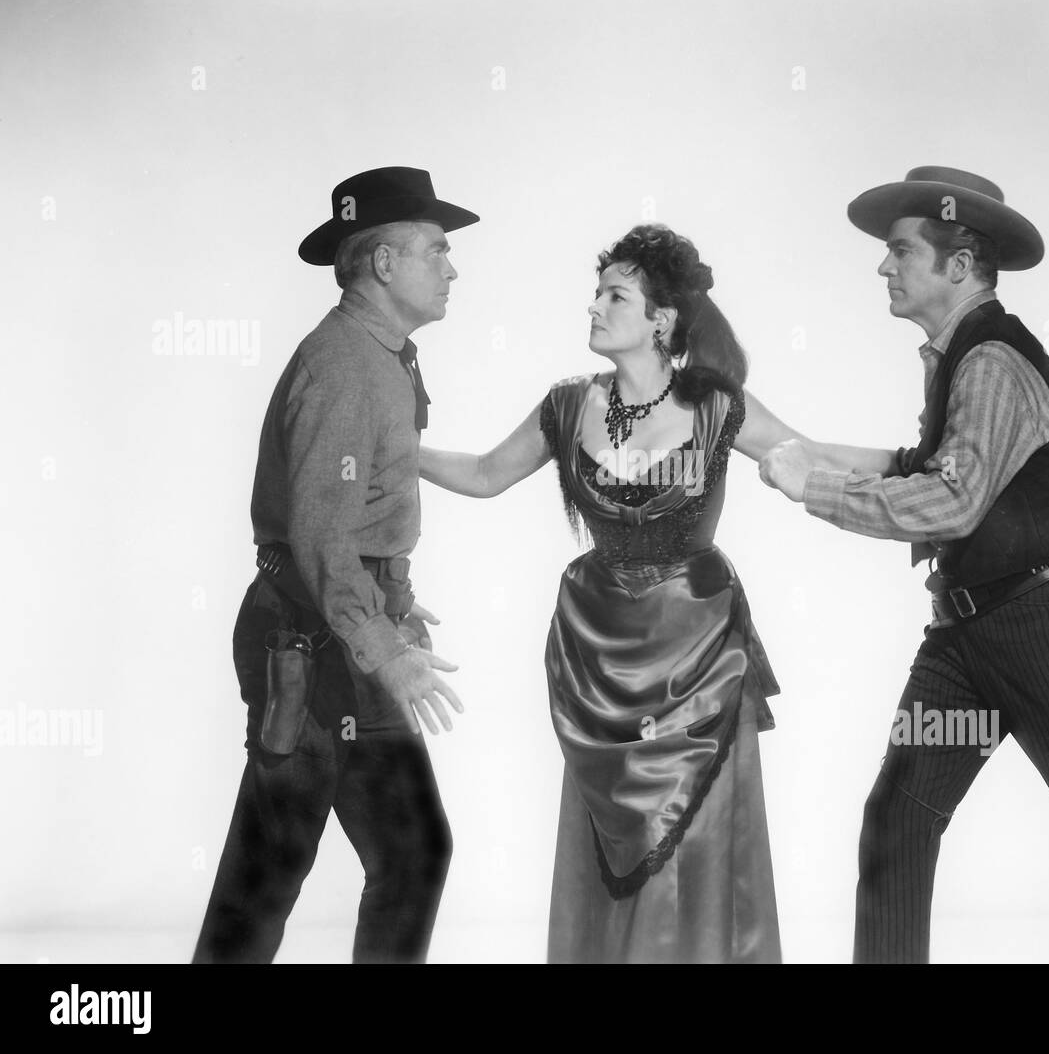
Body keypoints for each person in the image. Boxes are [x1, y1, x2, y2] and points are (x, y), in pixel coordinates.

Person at [759, 166, 1049, 964]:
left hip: (1047, 627)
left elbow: (951, 502)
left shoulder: (993, 362)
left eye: (900, 251)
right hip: (965, 641)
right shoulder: (957, 358)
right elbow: (916, 463)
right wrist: (781, 442)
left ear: (959, 261)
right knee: (897, 822)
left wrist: (817, 487)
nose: (883, 266)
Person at [419, 224, 874, 963]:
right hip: (600, 655)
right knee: (612, 850)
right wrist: (395, 448)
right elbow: (482, 474)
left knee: (695, 851)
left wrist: (921, 463)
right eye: (596, 293)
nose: (594, 307)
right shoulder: (568, 406)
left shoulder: (719, 406)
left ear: (661, 320)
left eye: (614, 295)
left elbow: (811, 454)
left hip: (699, 656)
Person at [193, 166, 474, 964]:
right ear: (385, 264)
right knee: (269, 871)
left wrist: (397, 600)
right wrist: (386, 648)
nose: (451, 268)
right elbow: (320, 539)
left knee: (413, 849)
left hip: (348, 630)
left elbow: (365, 513)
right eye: (436, 249)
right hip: (309, 645)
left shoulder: (382, 353)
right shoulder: (345, 366)